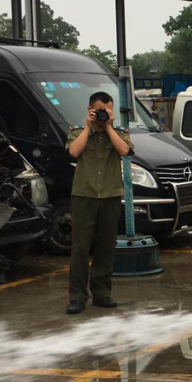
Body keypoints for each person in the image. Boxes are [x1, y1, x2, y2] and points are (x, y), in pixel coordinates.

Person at [65, 92, 132, 315]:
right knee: (80, 248)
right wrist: (88, 126)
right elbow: (74, 151)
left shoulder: (119, 133)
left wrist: (109, 127)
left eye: (108, 110)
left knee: (106, 247)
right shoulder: (77, 132)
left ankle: (102, 293)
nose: (104, 114)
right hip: (84, 195)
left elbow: (124, 151)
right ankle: (77, 297)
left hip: (110, 195)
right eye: (100, 110)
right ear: (90, 110)